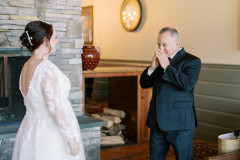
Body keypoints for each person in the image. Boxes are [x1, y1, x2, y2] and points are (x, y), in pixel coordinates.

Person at [12, 21, 85, 160]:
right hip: (51, 134)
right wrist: (70, 139)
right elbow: (54, 107)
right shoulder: (46, 69)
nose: (57, 42)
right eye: (55, 37)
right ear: (45, 41)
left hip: (31, 129)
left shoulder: (25, 67)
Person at [140, 27, 201, 160]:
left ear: (177, 43)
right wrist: (152, 68)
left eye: (164, 45)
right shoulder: (160, 60)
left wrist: (167, 66)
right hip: (157, 123)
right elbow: (144, 84)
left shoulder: (192, 61)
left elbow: (187, 84)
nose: (160, 49)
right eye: (158, 44)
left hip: (180, 123)